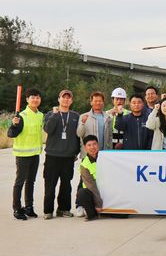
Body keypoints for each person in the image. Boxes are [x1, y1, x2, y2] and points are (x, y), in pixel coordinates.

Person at [42, 90, 80, 220]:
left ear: (71, 101)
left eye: (69, 98)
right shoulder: (50, 114)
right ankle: (48, 211)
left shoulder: (75, 116)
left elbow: (78, 136)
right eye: (63, 97)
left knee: (66, 185)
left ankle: (63, 209)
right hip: (52, 156)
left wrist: (75, 152)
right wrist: (54, 115)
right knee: (50, 185)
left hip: (68, 157)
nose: (66, 100)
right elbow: (48, 129)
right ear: (59, 99)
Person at [8, 88, 44, 220]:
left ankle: (29, 207)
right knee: (19, 182)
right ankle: (17, 209)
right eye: (32, 97)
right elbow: (11, 134)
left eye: (37, 97)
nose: (35, 100)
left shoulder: (40, 115)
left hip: (35, 154)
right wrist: (13, 125)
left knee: (31, 182)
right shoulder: (21, 116)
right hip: (22, 155)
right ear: (27, 99)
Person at [76, 135, 103, 221]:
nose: (92, 147)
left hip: (106, 192)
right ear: (85, 148)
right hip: (93, 194)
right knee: (82, 192)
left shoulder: (105, 158)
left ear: (98, 145)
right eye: (89, 145)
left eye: (94, 144)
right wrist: (98, 203)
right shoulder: (84, 164)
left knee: (123, 215)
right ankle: (92, 213)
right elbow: (91, 185)